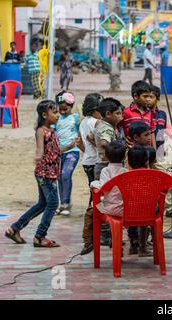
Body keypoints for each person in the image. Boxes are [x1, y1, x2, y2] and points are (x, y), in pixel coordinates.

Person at [4, 100, 61, 247]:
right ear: (44, 115)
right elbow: (40, 150)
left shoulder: (52, 131)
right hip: (45, 174)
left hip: (50, 173)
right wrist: (37, 156)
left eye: (58, 112)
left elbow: (55, 151)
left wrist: (73, 145)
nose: (58, 114)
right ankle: (40, 236)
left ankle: (14, 228)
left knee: (43, 203)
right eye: (54, 112)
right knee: (53, 203)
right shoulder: (41, 131)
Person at [94, 97, 124, 246]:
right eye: (117, 113)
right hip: (106, 165)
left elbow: (90, 137)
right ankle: (105, 234)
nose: (121, 116)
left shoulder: (100, 125)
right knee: (106, 199)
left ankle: (107, 232)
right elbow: (105, 142)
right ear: (107, 114)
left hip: (102, 163)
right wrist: (115, 150)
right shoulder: (107, 128)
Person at [77, 93, 103, 255]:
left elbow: (80, 141)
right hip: (95, 161)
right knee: (96, 196)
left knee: (93, 193)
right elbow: (95, 140)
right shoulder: (97, 122)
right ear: (95, 110)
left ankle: (92, 230)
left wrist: (86, 152)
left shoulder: (83, 122)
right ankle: (93, 231)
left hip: (87, 160)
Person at [53, 91, 80, 216]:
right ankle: (62, 203)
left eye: (66, 108)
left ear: (71, 106)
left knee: (65, 174)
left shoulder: (75, 118)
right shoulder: (56, 120)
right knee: (59, 177)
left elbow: (82, 131)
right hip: (59, 153)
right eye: (60, 108)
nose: (63, 110)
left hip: (71, 152)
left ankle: (66, 203)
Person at [125, 145, 153, 257]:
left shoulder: (125, 176)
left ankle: (133, 246)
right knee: (144, 220)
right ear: (147, 162)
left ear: (129, 163)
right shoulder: (153, 176)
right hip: (148, 212)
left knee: (134, 213)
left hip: (128, 212)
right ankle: (143, 247)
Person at [122, 81, 155, 147]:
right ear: (135, 96)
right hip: (131, 151)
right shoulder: (126, 112)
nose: (148, 99)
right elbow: (116, 128)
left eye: (149, 96)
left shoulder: (149, 112)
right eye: (145, 96)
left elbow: (151, 132)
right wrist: (122, 140)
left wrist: (154, 150)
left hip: (147, 151)